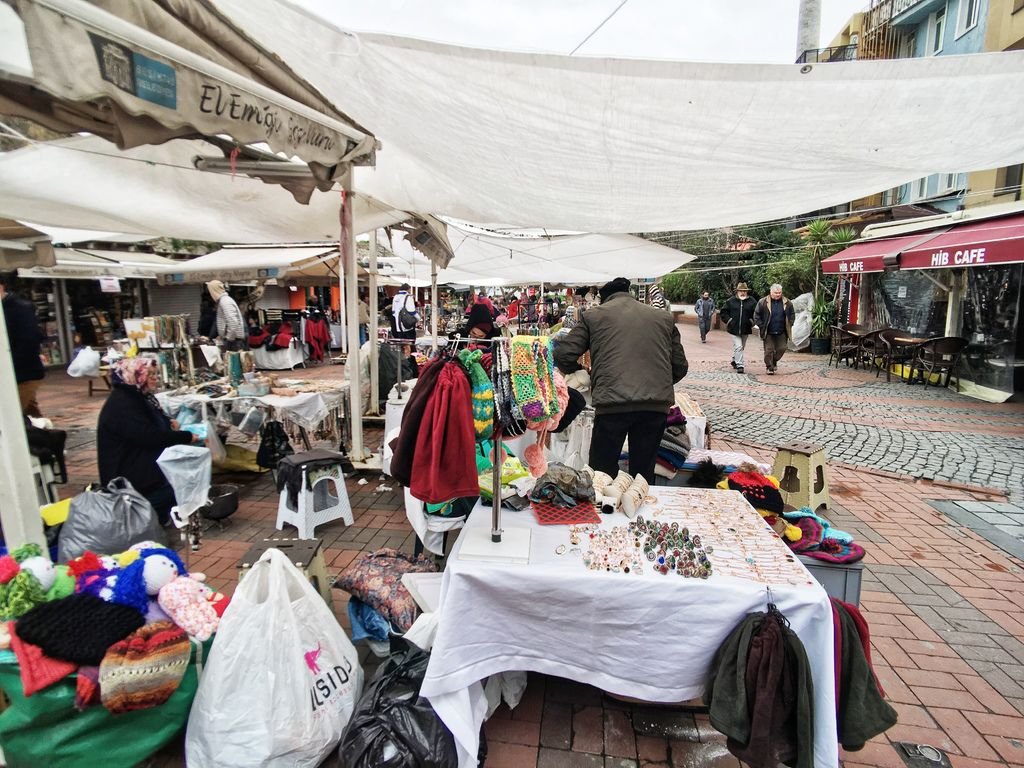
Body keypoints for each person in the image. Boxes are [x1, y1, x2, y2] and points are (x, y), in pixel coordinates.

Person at [554, 277, 688, 483]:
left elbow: (563, 355)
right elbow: (680, 367)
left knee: (601, 474)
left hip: (612, 405)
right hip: (654, 406)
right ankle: (641, 511)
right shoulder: (662, 317)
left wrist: (583, 372)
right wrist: (656, 383)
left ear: (602, 297)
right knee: (643, 474)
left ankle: (603, 513)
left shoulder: (593, 316)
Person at [96, 358, 199, 525]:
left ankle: (157, 516)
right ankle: (148, 517)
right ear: (135, 377)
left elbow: (152, 424)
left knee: (182, 480)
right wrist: (185, 436)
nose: (154, 378)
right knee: (183, 486)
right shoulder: (123, 404)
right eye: (149, 375)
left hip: (140, 467)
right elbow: (149, 437)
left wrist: (168, 423)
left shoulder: (137, 397)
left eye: (155, 374)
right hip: (129, 479)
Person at [0, 274, 45, 417]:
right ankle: (45, 436)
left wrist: (10, 366)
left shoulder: (19, 309)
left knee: (12, 416)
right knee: (30, 413)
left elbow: (30, 340)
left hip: (23, 374)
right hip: (14, 373)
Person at [753, 283, 796, 375]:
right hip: (768, 331)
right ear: (771, 292)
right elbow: (756, 315)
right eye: (776, 293)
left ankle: (774, 360)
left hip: (782, 331)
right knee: (769, 350)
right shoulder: (763, 302)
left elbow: (792, 314)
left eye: (779, 293)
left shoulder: (787, 303)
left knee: (782, 348)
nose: (778, 295)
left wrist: (790, 323)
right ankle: (769, 367)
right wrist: (761, 325)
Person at [720, 282, 757, 374]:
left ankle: (734, 359)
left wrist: (752, 322)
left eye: (744, 291)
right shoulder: (730, 301)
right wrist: (729, 321)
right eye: (740, 291)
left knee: (741, 346)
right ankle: (740, 365)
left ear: (747, 292)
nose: (742, 293)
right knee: (739, 346)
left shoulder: (752, 302)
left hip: (746, 329)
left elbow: (757, 314)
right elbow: (723, 313)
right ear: (737, 291)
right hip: (733, 329)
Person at [205, 280, 245, 351]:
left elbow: (233, 322)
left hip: (234, 342)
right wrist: (222, 336)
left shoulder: (225, 301)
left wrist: (228, 338)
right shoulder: (224, 301)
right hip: (233, 340)